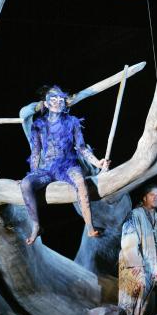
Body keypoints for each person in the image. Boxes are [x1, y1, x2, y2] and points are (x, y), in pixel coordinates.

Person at [20, 85, 109, 245]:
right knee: (26, 184)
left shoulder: (72, 123)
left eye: (60, 99)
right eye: (52, 99)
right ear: (46, 104)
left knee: (81, 182)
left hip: (69, 166)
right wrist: (33, 173)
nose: (57, 102)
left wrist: (97, 162)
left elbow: (81, 148)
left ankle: (89, 226)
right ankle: (36, 226)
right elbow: (36, 153)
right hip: (46, 169)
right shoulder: (38, 125)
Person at [118, 184, 157, 315]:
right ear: (144, 197)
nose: (156, 198)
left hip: (154, 273)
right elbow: (128, 240)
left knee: (151, 313)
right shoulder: (135, 215)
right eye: (152, 195)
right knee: (133, 313)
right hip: (137, 272)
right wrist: (136, 265)